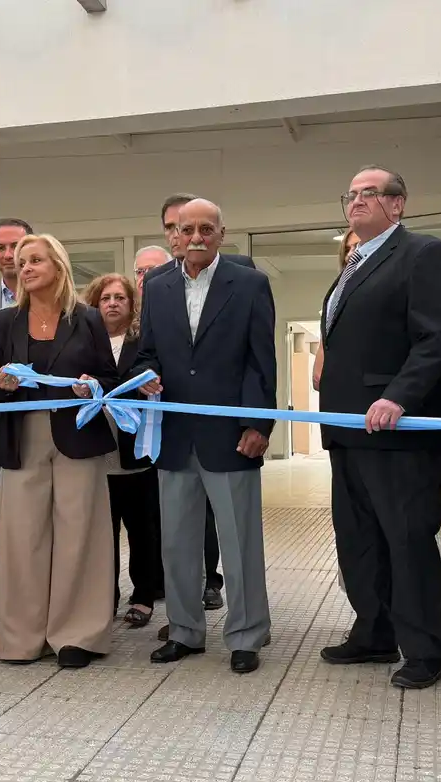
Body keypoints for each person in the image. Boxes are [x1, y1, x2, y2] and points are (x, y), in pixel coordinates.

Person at [316, 166, 441, 690]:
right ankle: (373, 633)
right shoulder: (353, 263)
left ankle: (424, 650)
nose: (355, 202)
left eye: (367, 194)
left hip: (397, 431)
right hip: (346, 429)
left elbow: (435, 338)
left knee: (406, 539)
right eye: (349, 194)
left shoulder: (422, 254)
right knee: (359, 539)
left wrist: (397, 396)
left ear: (397, 204)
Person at [133, 198, 276, 674]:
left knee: (239, 542)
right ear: (175, 232)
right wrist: (147, 374)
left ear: (220, 232)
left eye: (205, 229)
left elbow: (261, 361)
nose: (195, 237)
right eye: (186, 228)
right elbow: (147, 352)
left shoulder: (250, 283)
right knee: (176, 543)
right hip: (174, 436)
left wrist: (258, 423)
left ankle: (246, 634)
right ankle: (185, 631)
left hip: (230, 436)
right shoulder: (157, 285)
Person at [0, 235, 120, 667]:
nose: (24, 267)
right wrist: (1, 384)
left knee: (82, 535)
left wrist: (90, 386)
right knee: (22, 539)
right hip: (21, 439)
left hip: (78, 437)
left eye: (35, 260)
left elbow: (109, 379)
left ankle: (77, 636)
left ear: (58, 266)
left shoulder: (90, 319)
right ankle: (21, 637)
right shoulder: (4, 322)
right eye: (21, 261)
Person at [84, 272, 163, 627]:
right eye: (106, 298)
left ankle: (144, 596)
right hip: (97, 454)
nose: (113, 303)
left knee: (142, 530)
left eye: (120, 298)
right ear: (95, 304)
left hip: (137, 454)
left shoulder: (144, 343)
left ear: (132, 306)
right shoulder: (85, 343)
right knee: (102, 534)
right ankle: (105, 597)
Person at [0, 217, 34, 564]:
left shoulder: (58, 304)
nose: (7, 254)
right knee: (3, 518)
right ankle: (10, 603)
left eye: (15, 246)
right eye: (0, 247)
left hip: (45, 425)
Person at [312, 230, 360, 391]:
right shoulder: (337, 289)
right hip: (334, 384)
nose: (350, 255)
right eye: (347, 249)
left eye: (357, 246)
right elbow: (326, 338)